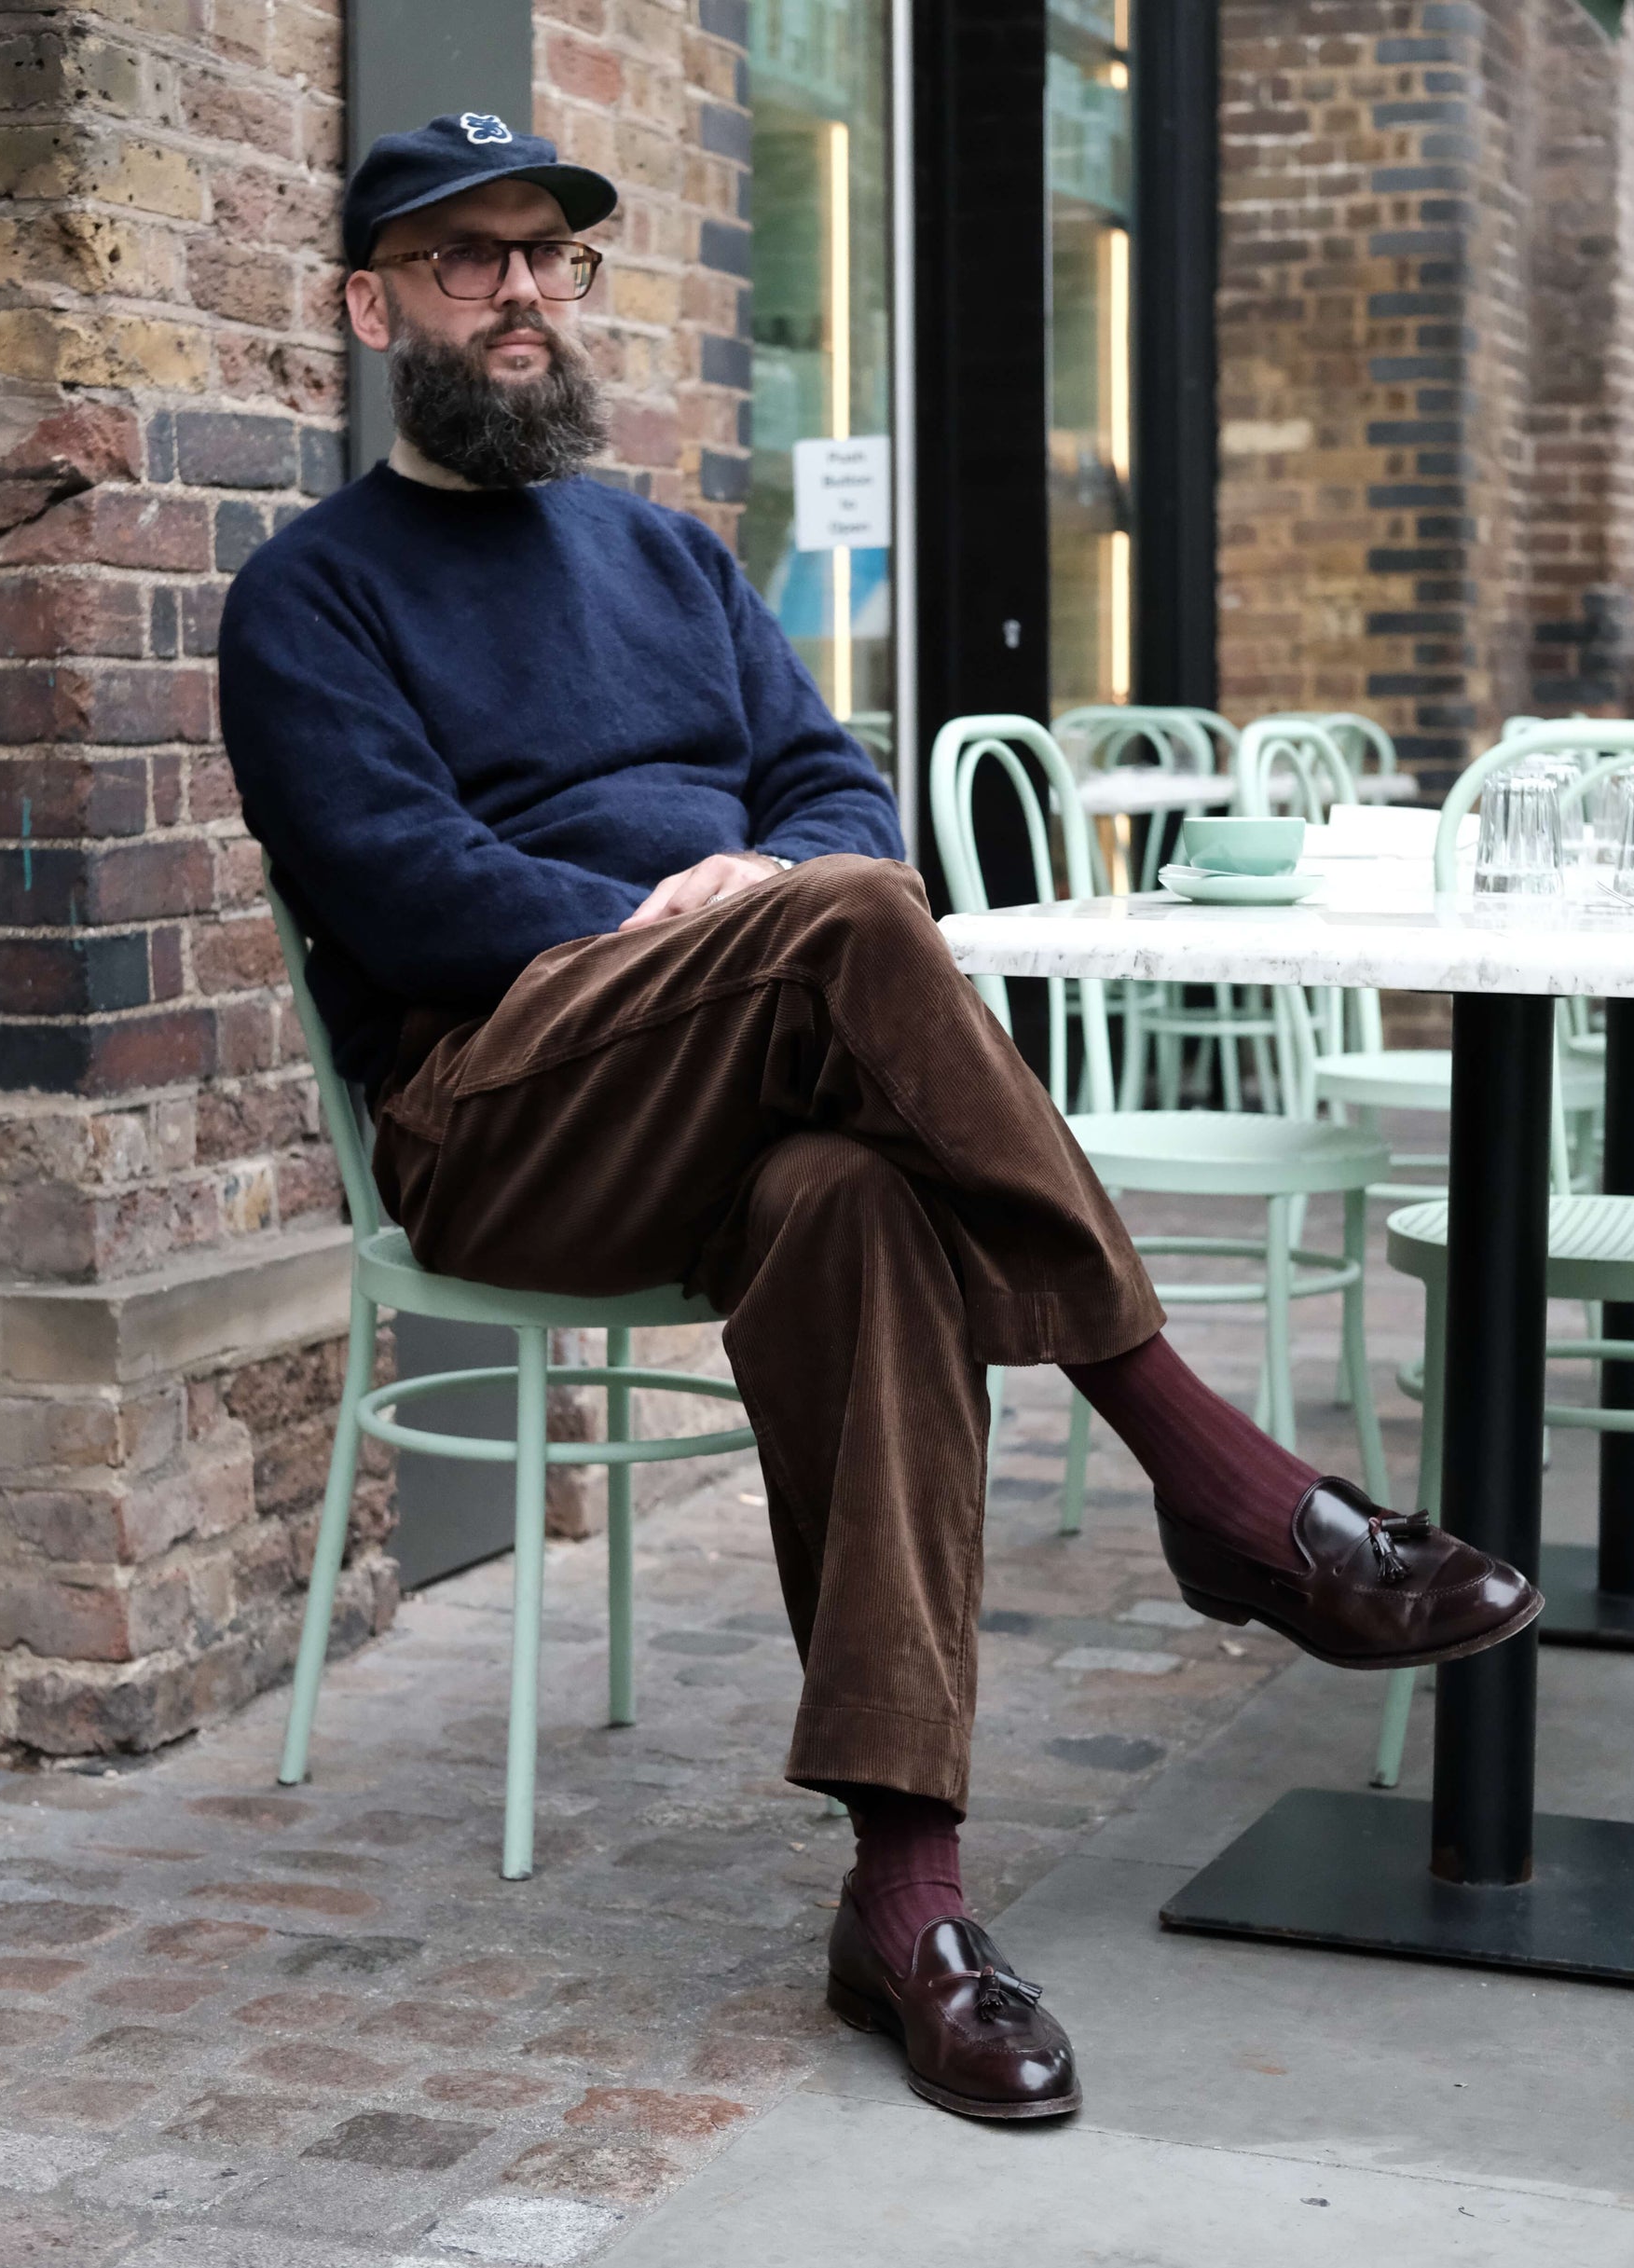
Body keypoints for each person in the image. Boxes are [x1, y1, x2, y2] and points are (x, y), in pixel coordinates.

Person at [218, 113, 1541, 2125]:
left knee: (854, 1190)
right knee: (838, 920)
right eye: (464, 257)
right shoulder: (307, 595)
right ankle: (1216, 1476)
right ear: (369, 306)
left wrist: (765, 886)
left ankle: (904, 1901)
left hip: (746, 1076)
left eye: (547, 256)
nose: (518, 293)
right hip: (506, 1114)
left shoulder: (668, 556)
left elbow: (836, 789)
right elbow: (407, 889)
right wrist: (697, 917)